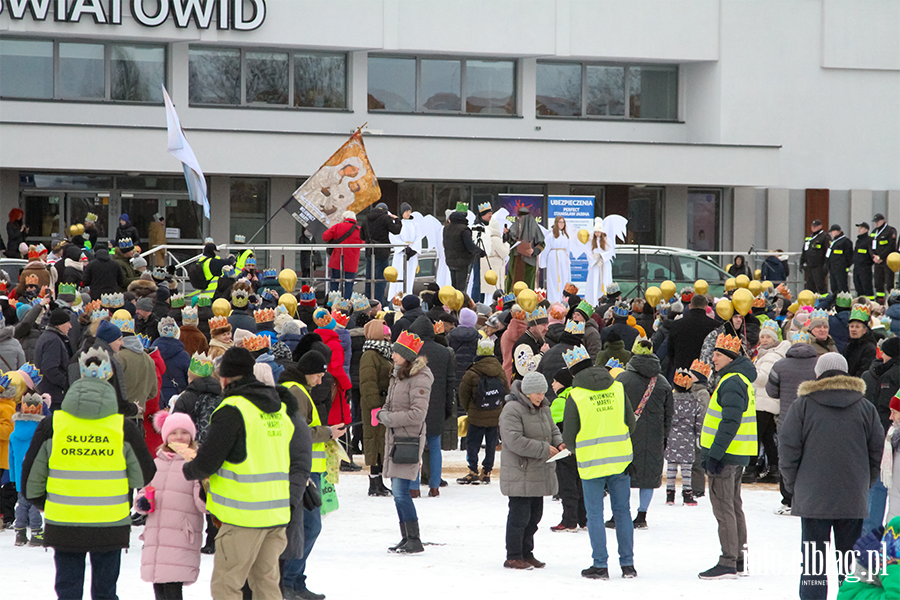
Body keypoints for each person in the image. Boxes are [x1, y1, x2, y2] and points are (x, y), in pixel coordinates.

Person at [21, 347, 156, 600]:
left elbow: (31, 480)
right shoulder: (122, 428)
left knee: (68, 591)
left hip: (64, 522)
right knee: (106, 592)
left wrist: (44, 502)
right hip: (111, 523)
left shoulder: (54, 425)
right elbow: (145, 475)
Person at [182, 346, 305, 600]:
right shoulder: (279, 409)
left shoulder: (233, 409)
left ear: (224, 379)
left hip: (243, 516)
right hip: (276, 514)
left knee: (227, 585)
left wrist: (188, 467)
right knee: (267, 584)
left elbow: (208, 461)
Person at [779, 352, 883, 600]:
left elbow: (788, 447)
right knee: (850, 564)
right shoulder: (865, 407)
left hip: (813, 497)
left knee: (814, 564)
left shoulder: (802, 405)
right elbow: (877, 451)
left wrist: (794, 485)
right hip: (852, 496)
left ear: (818, 373)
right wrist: (863, 483)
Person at [562, 345, 637, 580]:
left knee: (595, 514)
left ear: (573, 373)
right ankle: (628, 565)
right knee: (623, 512)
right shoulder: (617, 387)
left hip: (591, 462)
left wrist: (578, 449)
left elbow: (569, 436)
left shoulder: (575, 395)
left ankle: (600, 565)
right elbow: (631, 422)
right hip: (620, 459)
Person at [279, 351, 344, 600]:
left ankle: (295, 581)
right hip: (302, 470)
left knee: (306, 526)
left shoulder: (294, 388)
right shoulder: (295, 390)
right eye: (318, 375)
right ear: (307, 371)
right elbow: (298, 431)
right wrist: (328, 432)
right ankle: (289, 581)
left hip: (305, 468)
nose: (320, 381)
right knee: (308, 526)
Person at [697, 333, 757, 580]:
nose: (713, 358)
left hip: (726, 455)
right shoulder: (738, 380)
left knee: (724, 508)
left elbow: (730, 422)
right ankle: (738, 558)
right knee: (733, 505)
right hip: (736, 453)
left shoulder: (732, 381)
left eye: (718, 354)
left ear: (731, 357)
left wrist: (715, 454)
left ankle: (728, 560)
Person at [134, 410, 206, 600]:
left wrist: (204, 487)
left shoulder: (196, 463)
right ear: (166, 436)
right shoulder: (157, 462)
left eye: (184, 432)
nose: (179, 437)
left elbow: (204, 504)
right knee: (159, 586)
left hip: (181, 534)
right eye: (174, 433)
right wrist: (142, 502)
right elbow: (144, 492)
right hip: (156, 535)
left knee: (173, 587)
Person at [373, 330, 433, 554]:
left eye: (397, 352)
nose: (393, 355)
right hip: (396, 437)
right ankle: (407, 537)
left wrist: (388, 418)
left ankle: (414, 539)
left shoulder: (420, 378)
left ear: (407, 355)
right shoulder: (398, 374)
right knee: (398, 491)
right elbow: (389, 404)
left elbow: (418, 414)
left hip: (408, 439)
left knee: (400, 491)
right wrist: (383, 413)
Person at [499, 371, 563, 570]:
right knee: (519, 517)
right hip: (520, 472)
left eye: (543, 392)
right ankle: (513, 555)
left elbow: (553, 430)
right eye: (536, 393)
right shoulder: (512, 409)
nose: (540, 396)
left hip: (538, 471)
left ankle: (527, 553)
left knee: (534, 517)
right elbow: (513, 440)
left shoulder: (544, 408)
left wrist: (559, 444)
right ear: (526, 392)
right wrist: (544, 449)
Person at [608, 338, 673, 530]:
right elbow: (669, 414)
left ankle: (618, 514)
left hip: (626, 435)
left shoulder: (622, 380)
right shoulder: (662, 383)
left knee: (622, 475)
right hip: (654, 436)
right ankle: (641, 515)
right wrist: (664, 437)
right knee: (649, 476)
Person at [408, 316, 455, 496]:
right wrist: (447, 407)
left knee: (414, 445)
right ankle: (434, 486)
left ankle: (414, 487)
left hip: (414, 405)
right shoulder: (444, 352)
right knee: (435, 445)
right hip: (436, 404)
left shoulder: (410, 352)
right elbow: (450, 382)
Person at [458, 338, 508, 485]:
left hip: (476, 414)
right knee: (491, 443)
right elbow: (505, 390)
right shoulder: (499, 369)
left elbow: (463, 393)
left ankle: (473, 470)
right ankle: (486, 472)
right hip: (495, 413)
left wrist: (470, 409)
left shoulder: (473, 371)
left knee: (473, 442)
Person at [748, 320, 790, 483]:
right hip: (764, 400)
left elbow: (764, 378)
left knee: (755, 436)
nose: (765, 340)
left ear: (775, 339)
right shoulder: (763, 354)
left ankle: (750, 468)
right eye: (762, 336)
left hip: (764, 401)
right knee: (766, 437)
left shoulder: (772, 355)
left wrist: (750, 372)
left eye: (768, 337)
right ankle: (774, 469)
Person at [359, 319, 394, 496]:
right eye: (385, 333)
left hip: (382, 405)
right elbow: (367, 382)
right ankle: (374, 482)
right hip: (374, 406)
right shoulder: (370, 354)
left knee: (381, 442)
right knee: (374, 441)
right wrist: (375, 405)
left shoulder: (384, 353)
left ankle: (379, 481)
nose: (388, 336)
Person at [8, 391, 46, 547]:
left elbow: (11, 458)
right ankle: (36, 532)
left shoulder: (14, 434)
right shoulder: (40, 431)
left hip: (19, 474)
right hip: (36, 472)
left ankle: (20, 532)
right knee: (35, 503)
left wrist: (13, 477)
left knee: (22, 502)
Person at [666, 369, 704, 506]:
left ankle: (670, 495)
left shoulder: (670, 401)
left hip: (672, 437)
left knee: (671, 467)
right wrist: (699, 434)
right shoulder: (694, 401)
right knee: (686, 468)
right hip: (688, 438)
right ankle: (687, 494)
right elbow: (699, 420)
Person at [33, 308, 73, 411]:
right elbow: (50, 368)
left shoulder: (46, 337)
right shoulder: (53, 341)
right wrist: (66, 384)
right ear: (60, 324)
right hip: (54, 396)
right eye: (68, 323)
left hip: (47, 392)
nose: (70, 326)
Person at [363, 203, 402, 305]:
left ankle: (368, 302)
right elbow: (396, 230)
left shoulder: (366, 218)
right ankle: (378, 303)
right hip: (382, 252)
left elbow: (361, 236)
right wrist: (397, 219)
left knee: (369, 279)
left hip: (369, 251)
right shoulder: (385, 218)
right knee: (380, 279)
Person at [322, 211, 363, 300]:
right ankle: (346, 304)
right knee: (349, 284)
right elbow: (361, 244)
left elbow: (325, 237)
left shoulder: (337, 226)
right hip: (352, 262)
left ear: (344, 218)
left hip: (337, 260)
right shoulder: (359, 230)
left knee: (334, 283)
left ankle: (333, 303)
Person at [504, 208, 544, 290]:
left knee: (527, 286)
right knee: (513, 285)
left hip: (528, 263)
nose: (519, 219)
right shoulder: (515, 225)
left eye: (520, 217)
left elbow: (542, 243)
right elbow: (510, 240)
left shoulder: (534, 227)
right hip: (515, 261)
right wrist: (506, 234)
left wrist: (534, 251)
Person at [444, 205, 480, 292]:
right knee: (461, 287)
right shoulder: (464, 229)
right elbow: (469, 245)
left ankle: (453, 303)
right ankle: (460, 303)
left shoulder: (446, 228)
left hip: (450, 260)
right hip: (462, 261)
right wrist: (479, 251)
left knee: (454, 285)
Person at [584, 219, 615, 307]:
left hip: (604, 265)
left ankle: (605, 300)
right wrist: (595, 258)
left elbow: (610, 251)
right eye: (596, 232)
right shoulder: (591, 240)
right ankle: (593, 302)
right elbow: (588, 252)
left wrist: (602, 256)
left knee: (605, 281)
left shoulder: (607, 240)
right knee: (594, 282)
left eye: (599, 232)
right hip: (595, 266)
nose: (597, 234)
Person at [513, 307, 549, 381]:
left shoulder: (538, 340)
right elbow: (524, 370)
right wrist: (542, 354)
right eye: (543, 324)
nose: (546, 328)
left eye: (547, 324)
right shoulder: (524, 344)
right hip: (524, 388)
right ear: (532, 326)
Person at [543, 216, 572, 305]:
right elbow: (545, 249)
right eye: (560, 222)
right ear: (556, 223)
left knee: (564, 278)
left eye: (563, 222)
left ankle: (563, 300)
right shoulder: (550, 236)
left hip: (563, 258)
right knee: (554, 279)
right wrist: (543, 263)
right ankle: (553, 301)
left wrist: (568, 261)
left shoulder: (565, 236)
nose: (561, 224)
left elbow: (568, 249)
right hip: (554, 258)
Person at [845, 304, 877, 378]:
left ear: (864, 330)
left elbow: (864, 371)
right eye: (851, 326)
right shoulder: (849, 345)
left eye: (857, 327)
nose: (853, 329)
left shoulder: (869, 348)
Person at [872, 213, 899, 303]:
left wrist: (881, 256)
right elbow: (870, 245)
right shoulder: (874, 232)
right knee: (878, 282)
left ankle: (892, 301)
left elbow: (891, 246)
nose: (876, 224)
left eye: (878, 222)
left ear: (883, 221)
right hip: (877, 261)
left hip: (887, 261)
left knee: (889, 282)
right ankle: (880, 301)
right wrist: (874, 256)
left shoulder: (890, 231)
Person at [801, 219, 830, 294]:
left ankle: (823, 301)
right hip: (810, 266)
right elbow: (805, 250)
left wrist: (826, 264)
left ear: (820, 226)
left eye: (815, 226)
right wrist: (802, 261)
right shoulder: (809, 237)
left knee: (820, 285)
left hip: (819, 266)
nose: (813, 228)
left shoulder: (825, 237)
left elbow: (828, 251)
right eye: (812, 226)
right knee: (809, 286)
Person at [828, 224, 853, 294]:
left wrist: (846, 266)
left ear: (836, 231)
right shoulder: (833, 242)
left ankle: (844, 302)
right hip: (833, 268)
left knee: (842, 287)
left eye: (832, 232)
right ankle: (836, 301)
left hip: (841, 268)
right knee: (834, 287)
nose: (831, 234)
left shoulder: (845, 242)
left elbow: (849, 256)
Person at [854, 222, 876, 299]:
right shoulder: (858, 241)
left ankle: (871, 304)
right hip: (857, 267)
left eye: (861, 228)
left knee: (867, 287)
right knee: (858, 287)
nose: (859, 230)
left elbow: (872, 253)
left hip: (865, 268)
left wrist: (868, 263)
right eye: (859, 228)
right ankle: (860, 304)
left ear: (866, 230)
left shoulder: (869, 240)